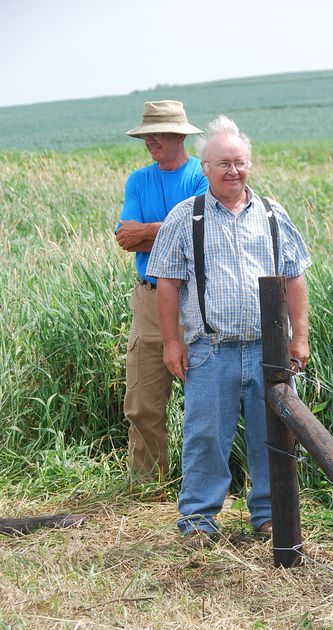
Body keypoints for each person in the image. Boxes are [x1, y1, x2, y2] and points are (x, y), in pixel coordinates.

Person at [146, 115, 311, 546]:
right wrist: (171, 342)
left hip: (268, 350)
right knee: (204, 438)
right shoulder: (186, 217)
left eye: (239, 162)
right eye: (222, 163)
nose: (232, 171)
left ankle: (270, 516)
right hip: (209, 350)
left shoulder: (274, 214)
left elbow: (294, 277)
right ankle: (199, 521)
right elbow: (167, 284)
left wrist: (299, 337)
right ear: (205, 168)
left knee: (271, 436)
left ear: (249, 164)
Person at [116, 100, 208, 482]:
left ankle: (202, 487)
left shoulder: (201, 178)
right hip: (149, 299)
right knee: (142, 402)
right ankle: (148, 487)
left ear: (178, 136)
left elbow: (202, 234)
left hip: (197, 300)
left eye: (156, 134)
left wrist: (151, 232)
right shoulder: (138, 180)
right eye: (145, 135)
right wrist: (173, 226)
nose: (149, 141)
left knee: (205, 402)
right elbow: (125, 237)